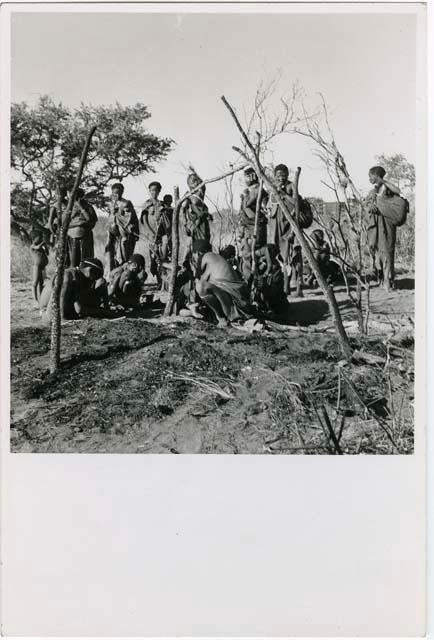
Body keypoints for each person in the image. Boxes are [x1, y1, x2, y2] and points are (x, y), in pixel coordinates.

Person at [267, 164, 313, 297]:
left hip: (291, 225)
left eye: (283, 175)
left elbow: (296, 203)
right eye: (278, 175)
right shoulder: (272, 188)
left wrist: (284, 195)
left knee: (295, 256)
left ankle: (299, 285)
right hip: (277, 228)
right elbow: (271, 207)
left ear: (287, 174)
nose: (281, 177)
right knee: (282, 258)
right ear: (275, 176)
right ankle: (286, 286)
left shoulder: (291, 186)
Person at [192, 239, 252, 328]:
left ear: (198, 252)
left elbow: (198, 280)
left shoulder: (203, 256)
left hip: (229, 293)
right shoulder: (216, 258)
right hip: (238, 295)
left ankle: (221, 317)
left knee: (200, 286)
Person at [365, 165, 407, 291]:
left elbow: (398, 191)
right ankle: (381, 279)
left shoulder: (387, 187)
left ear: (376, 175)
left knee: (387, 251)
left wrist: (383, 182)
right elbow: (367, 204)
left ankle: (388, 281)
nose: (369, 179)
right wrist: (370, 207)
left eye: (370, 176)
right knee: (377, 251)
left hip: (387, 224)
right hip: (376, 223)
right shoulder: (373, 191)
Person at [39, 258, 111, 322]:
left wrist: (106, 309)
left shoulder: (84, 278)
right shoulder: (70, 275)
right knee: (67, 277)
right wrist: (102, 312)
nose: (95, 280)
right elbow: (79, 309)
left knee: (102, 283)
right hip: (49, 313)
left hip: (67, 309)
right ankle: (62, 317)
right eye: (97, 276)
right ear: (90, 271)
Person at [105, 183, 139, 271]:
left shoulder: (126, 203)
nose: (116, 195)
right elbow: (110, 219)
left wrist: (119, 212)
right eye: (114, 193)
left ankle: (125, 270)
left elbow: (131, 218)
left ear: (122, 192)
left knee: (124, 252)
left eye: (118, 193)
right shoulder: (111, 204)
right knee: (111, 252)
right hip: (113, 232)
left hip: (124, 232)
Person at [66, 188, 98, 267]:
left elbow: (91, 220)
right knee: (73, 259)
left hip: (85, 236)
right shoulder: (69, 208)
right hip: (72, 236)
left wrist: (80, 207)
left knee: (86, 258)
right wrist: (79, 224)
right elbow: (64, 224)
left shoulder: (88, 207)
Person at [253, 243, 288, 315]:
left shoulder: (266, 249)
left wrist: (264, 274)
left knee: (270, 292)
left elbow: (269, 265)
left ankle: (272, 309)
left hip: (274, 275)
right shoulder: (266, 254)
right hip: (275, 274)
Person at [181, 172, 212, 251]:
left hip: (201, 222)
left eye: (195, 181)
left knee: (203, 242)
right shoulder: (188, 194)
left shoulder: (200, 191)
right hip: (192, 223)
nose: (194, 183)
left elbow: (195, 201)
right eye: (191, 182)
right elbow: (184, 205)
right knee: (194, 244)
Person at [238, 167, 268, 246]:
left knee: (257, 249)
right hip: (247, 226)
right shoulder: (248, 192)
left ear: (253, 176)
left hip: (257, 226)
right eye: (245, 178)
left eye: (247, 177)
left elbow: (266, 209)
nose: (245, 180)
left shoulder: (259, 190)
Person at [30, 226, 50, 303]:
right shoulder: (32, 246)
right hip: (36, 266)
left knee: (42, 282)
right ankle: (35, 299)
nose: (41, 239)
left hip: (42, 267)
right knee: (35, 282)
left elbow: (47, 253)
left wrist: (46, 247)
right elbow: (37, 247)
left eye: (41, 238)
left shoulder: (41, 247)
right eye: (39, 237)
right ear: (34, 239)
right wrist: (43, 242)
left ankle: (41, 297)